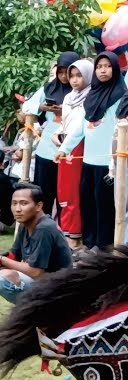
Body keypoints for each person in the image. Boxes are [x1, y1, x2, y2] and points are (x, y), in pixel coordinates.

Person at [0, 183, 72, 303]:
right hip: (41, 280)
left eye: (24, 203)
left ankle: (37, 311)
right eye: (14, 203)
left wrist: (1, 260)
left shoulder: (44, 228)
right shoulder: (25, 224)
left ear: (38, 206)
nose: (17, 209)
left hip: (57, 288)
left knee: (4, 279)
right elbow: (14, 256)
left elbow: (36, 272)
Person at [73, 52, 124, 251]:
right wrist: (64, 149)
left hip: (109, 162)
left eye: (107, 66)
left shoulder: (121, 95)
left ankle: (104, 244)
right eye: (99, 66)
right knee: (87, 201)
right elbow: (81, 128)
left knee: (105, 204)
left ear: (115, 68)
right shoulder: (91, 95)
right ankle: (89, 242)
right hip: (88, 160)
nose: (103, 70)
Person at [23, 51, 78, 215]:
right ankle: (43, 229)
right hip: (46, 149)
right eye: (60, 72)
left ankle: (66, 232)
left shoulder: (82, 91)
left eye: (66, 72)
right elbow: (26, 106)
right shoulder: (48, 89)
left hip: (71, 150)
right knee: (44, 194)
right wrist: (43, 107)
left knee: (66, 195)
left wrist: (66, 109)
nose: (63, 77)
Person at [54, 58, 92, 245]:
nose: (75, 80)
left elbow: (80, 126)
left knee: (73, 190)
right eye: (72, 76)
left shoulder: (91, 95)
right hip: (64, 144)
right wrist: (57, 134)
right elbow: (65, 122)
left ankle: (75, 235)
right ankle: (67, 231)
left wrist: (65, 143)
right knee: (63, 191)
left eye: (79, 75)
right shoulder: (69, 97)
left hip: (78, 145)